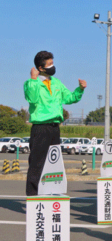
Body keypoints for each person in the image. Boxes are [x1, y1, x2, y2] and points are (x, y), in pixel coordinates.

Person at [24, 51, 86, 196]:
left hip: (54, 128)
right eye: (49, 64)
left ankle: (51, 193)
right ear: (40, 68)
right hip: (40, 128)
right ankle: (33, 196)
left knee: (53, 162)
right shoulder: (31, 83)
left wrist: (80, 89)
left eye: (53, 63)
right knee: (36, 163)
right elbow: (32, 99)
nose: (53, 66)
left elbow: (70, 98)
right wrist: (33, 79)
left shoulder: (56, 82)